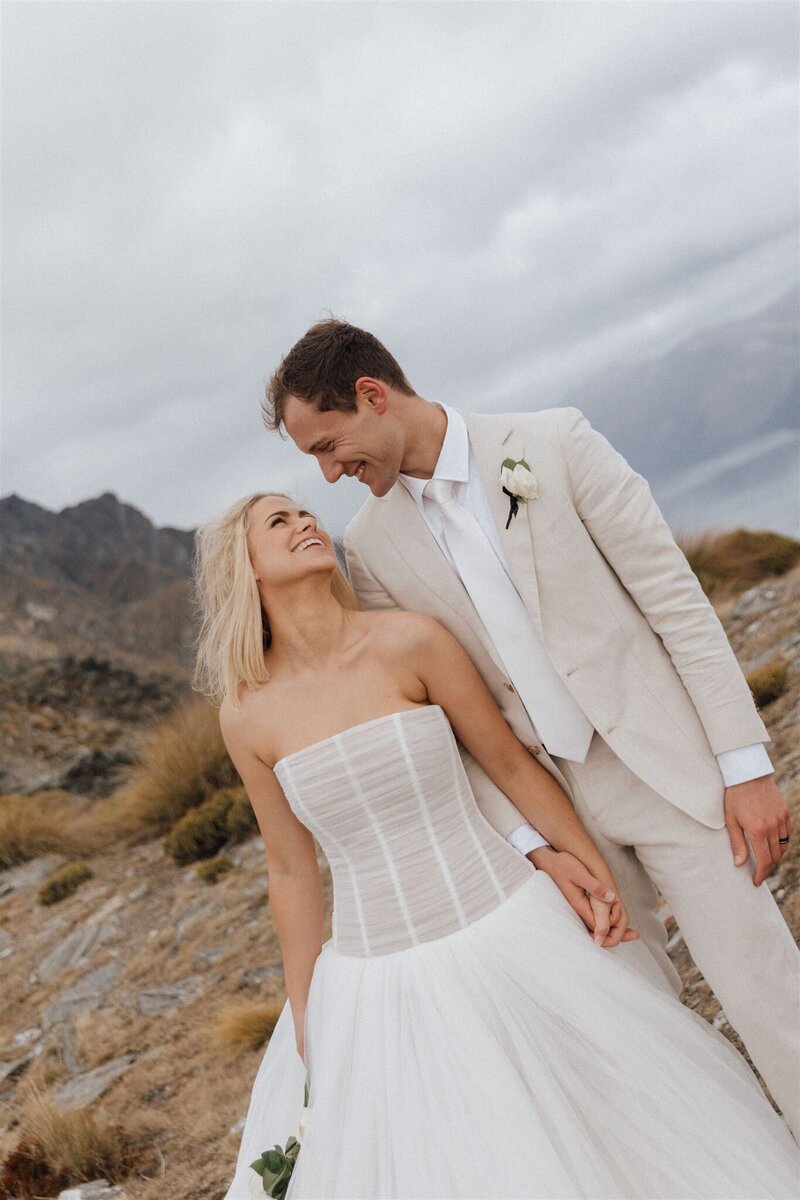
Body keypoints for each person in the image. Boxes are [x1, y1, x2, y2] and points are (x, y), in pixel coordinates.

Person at [265, 318, 800, 1141]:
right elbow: (439, 716)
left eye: (329, 446)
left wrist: (745, 766)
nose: (330, 474)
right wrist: (531, 845)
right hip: (554, 814)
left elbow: (676, 602)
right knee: (642, 1031)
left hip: (668, 772)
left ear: (373, 396)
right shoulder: (369, 546)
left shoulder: (552, 444)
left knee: (767, 991)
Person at [198, 493, 798, 1199]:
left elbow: (510, 765)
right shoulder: (246, 712)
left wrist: (592, 871)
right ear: (245, 568)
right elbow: (291, 869)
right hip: (373, 977)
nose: (304, 522)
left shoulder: (410, 640)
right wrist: (307, 1011)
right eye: (279, 521)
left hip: (509, 921)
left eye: (304, 512)